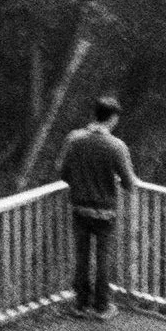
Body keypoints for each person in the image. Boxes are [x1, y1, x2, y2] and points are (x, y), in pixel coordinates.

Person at [58, 96, 138, 317]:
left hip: (79, 207)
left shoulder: (74, 139)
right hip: (105, 211)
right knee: (103, 258)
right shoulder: (116, 146)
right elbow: (129, 183)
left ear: (94, 114)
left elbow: (63, 171)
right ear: (112, 118)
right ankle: (102, 306)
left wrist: (81, 181)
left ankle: (80, 304)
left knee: (82, 256)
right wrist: (115, 181)